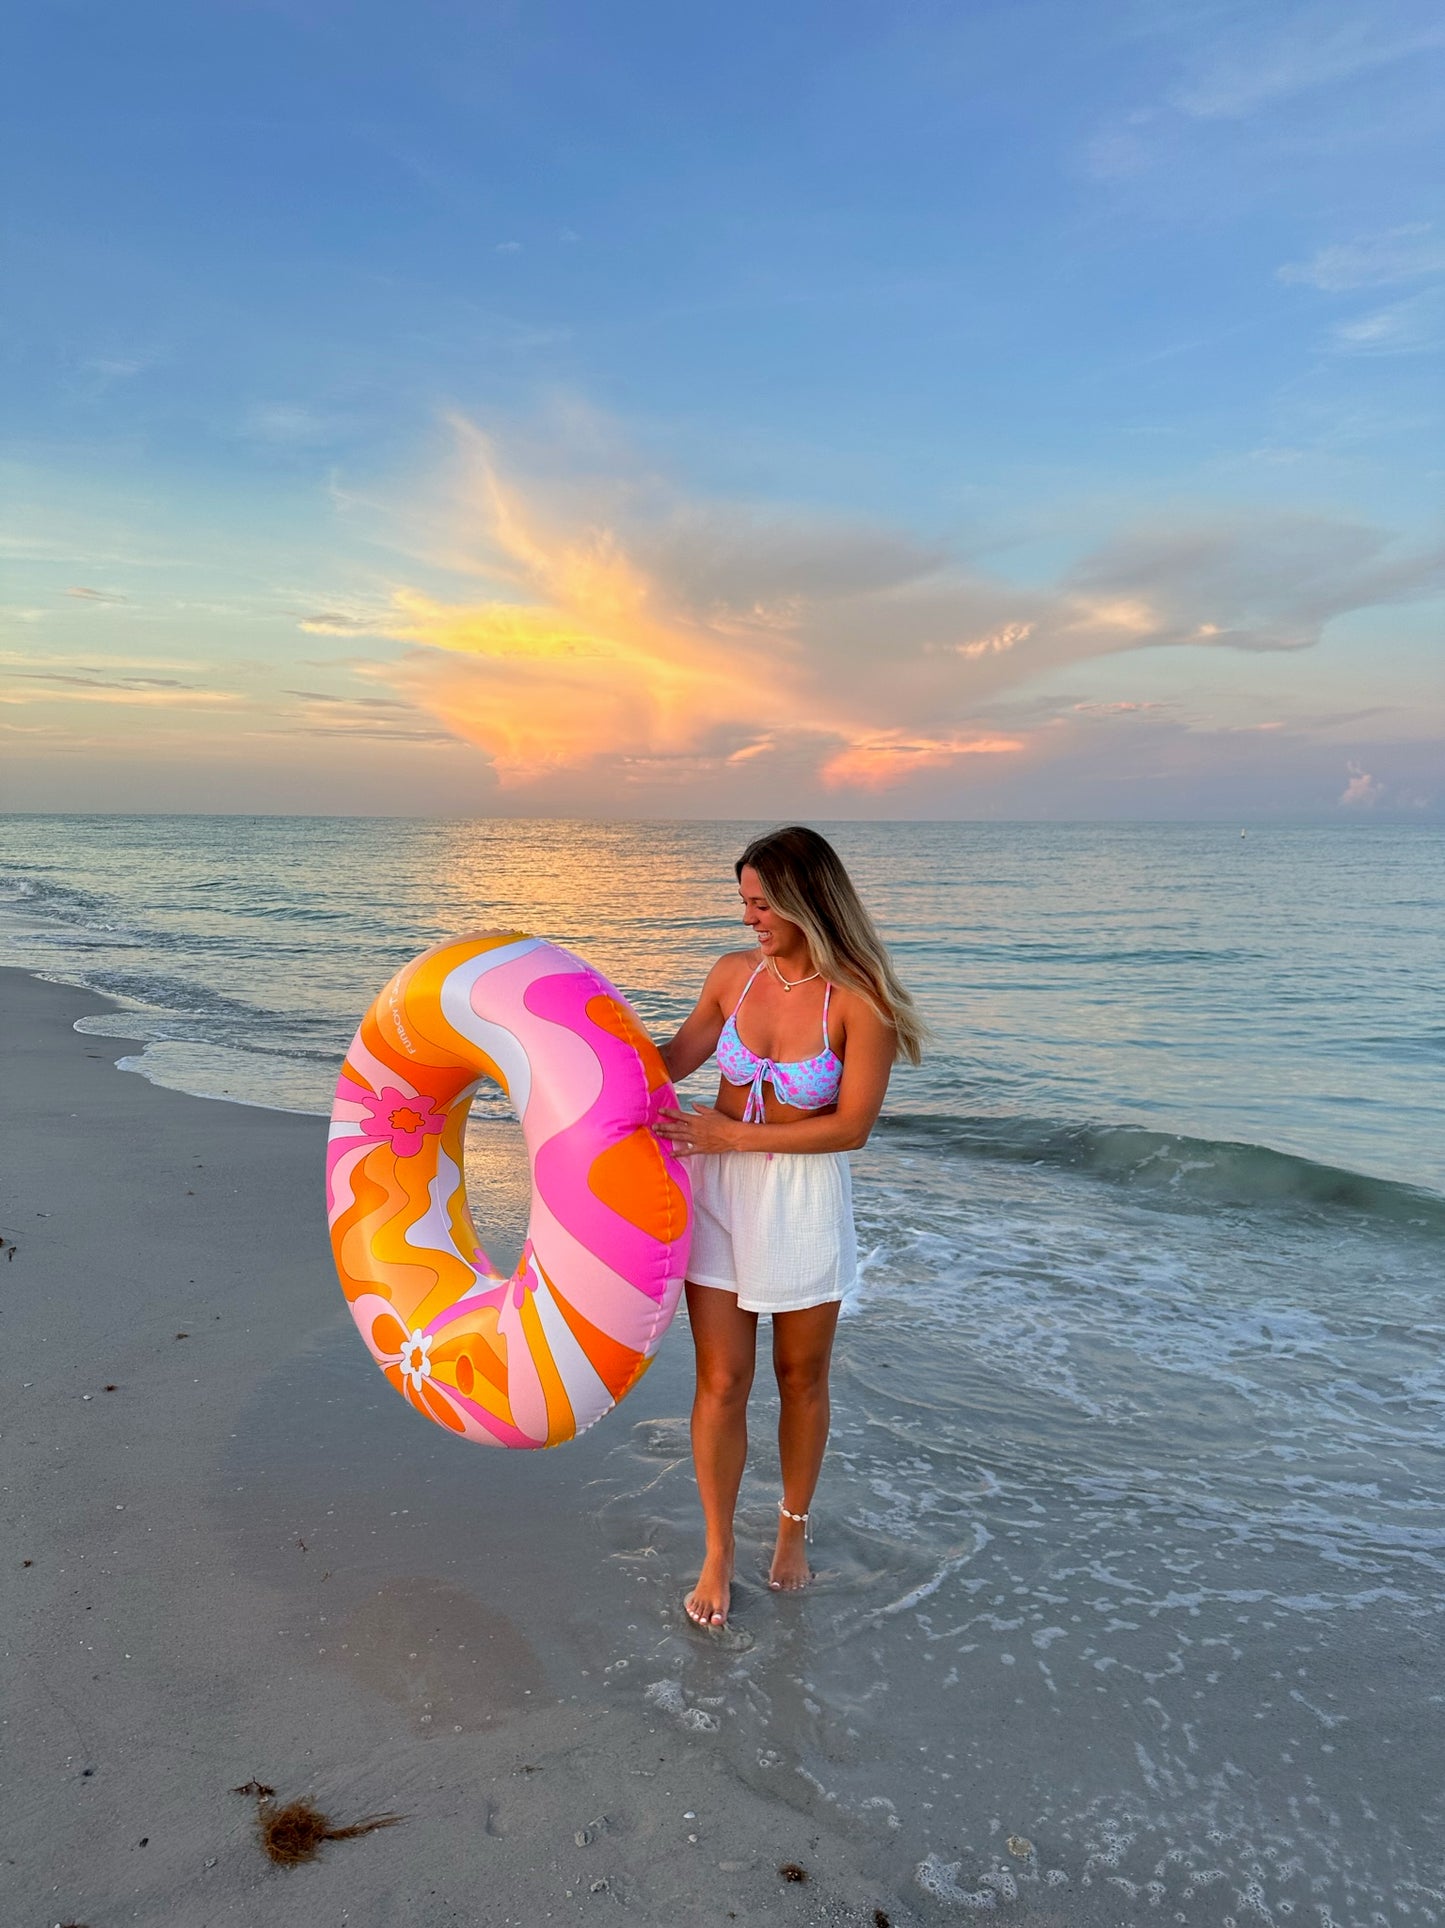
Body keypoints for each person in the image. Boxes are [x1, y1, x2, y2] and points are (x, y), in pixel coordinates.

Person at [655, 825, 924, 1629]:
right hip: (718, 1193)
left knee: (799, 1379)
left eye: (762, 903)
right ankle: (716, 1548)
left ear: (808, 900)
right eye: (743, 902)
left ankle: (791, 1528)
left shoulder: (860, 999)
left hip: (802, 1200)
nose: (749, 920)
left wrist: (733, 1135)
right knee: (719, 1381)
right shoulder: (732, 978)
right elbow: (669, 1060)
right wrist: (562, 1049)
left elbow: (850, 1128)